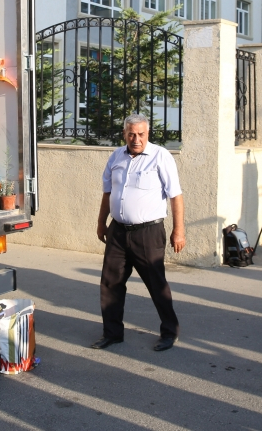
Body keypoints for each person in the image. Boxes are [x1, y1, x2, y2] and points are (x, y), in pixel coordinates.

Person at [91, 114, 185, 352]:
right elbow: (107, 192)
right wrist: (101, 222)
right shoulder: (116, 157)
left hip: (148, 233)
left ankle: (169, 332)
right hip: (118, 231)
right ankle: (112, 333)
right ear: (124, 134)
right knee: (110, 283)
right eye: (131, 134)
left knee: (156, 284)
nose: (136, 139)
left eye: (141, 134)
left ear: (148, 134)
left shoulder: (160, 156)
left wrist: (179, 230)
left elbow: (175, 195)